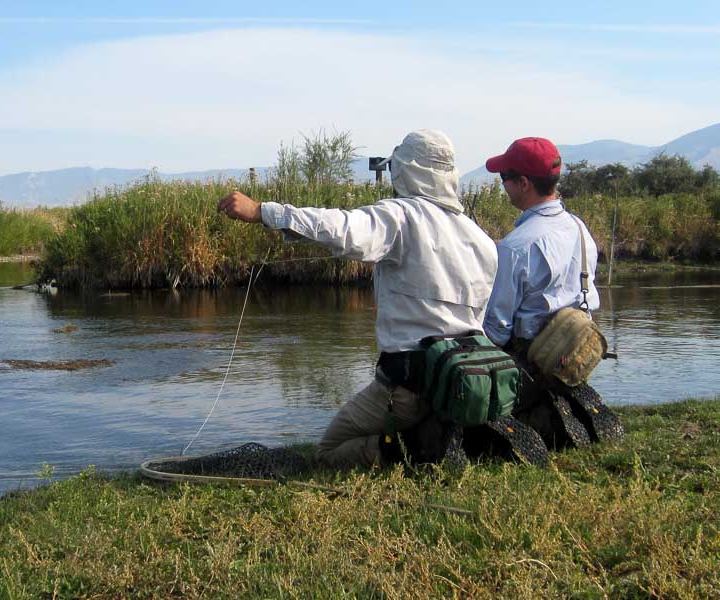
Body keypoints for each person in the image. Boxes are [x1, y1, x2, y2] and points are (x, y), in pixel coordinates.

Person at [217, 130, 498, 469]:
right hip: (465, 386)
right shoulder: (482, 240)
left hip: (407, 389)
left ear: (406, 170)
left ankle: (416, 451)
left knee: (330, 450)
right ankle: (438, 435)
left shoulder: (400, 216)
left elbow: (340, 228)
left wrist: (263, 211)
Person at [482, 137, 600, 354]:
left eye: (504, 176)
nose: (502, 184)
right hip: (575, 356)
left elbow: (495, 332)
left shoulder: (514, 248)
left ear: (524, 183)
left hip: (529, 364)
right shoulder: (579, 228)